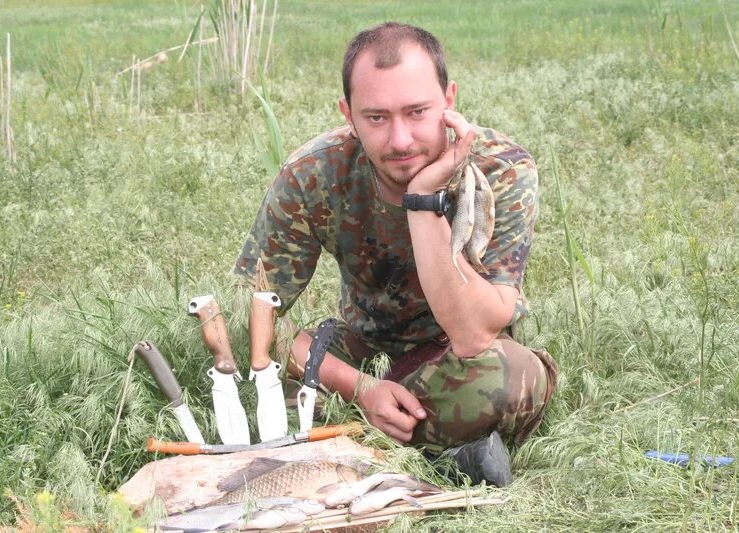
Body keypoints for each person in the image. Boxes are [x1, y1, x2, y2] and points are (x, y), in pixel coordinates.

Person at [234, 22, 558, 487]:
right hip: (364, 351)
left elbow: (474, 334)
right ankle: (443, 454)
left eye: (418, 112)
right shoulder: (313, 174)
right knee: (272, 395)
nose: (401, 140)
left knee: (507, 380)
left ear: (449, 99)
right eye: (377, 118)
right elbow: (255, 314)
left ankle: (358, 451)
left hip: (462, 358)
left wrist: (423, 200)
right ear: (348, 114)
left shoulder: (501, 170)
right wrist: (360, 388)